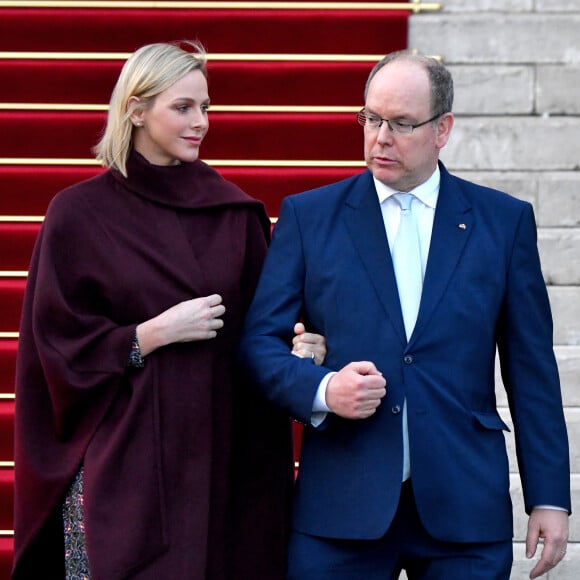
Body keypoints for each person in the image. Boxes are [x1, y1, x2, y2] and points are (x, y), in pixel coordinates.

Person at [238, 50, 571, 579]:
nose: (379, 137)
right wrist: (324, 391)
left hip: (464, 510)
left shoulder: (503, 223)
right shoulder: (309, 216)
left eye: (401, 123)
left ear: (443, 129)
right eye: (370, 118)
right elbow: (257, 344)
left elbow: (531, 371)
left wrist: (549, 496)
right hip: (340, 509)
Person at [12, 41, 326, 579]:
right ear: (136, 110)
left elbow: (264, 334)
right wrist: (148, 335)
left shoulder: (234, 213)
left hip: (226, 460)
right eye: (183, 107)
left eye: (205, 107)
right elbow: (55, 350)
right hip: (126, 464)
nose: (200, 122)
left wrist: (302, 350)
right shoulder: (78, 215)